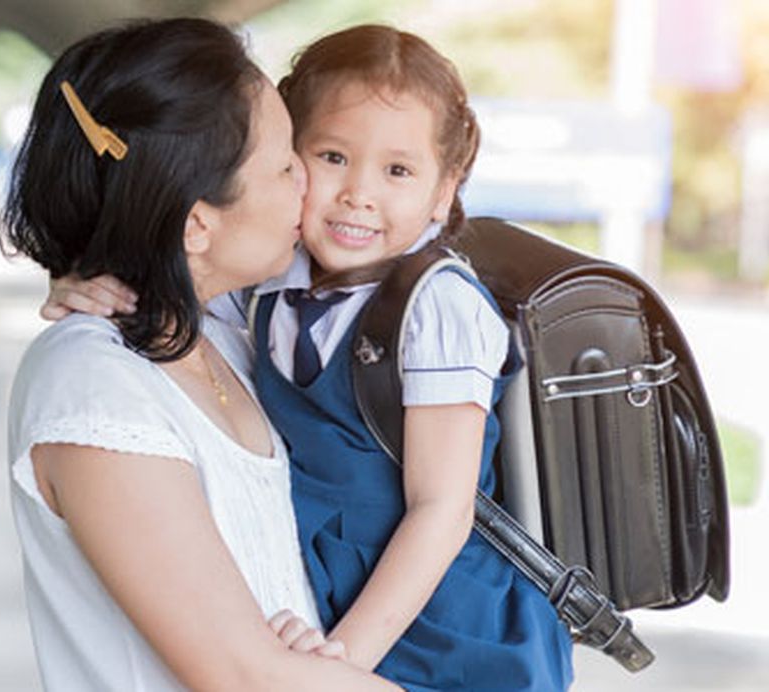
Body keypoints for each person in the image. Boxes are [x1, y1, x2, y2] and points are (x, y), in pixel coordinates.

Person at [45, 24, 575, 690]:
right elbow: (179, 278)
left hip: (442, 624)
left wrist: (345, 654)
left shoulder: (438, 308)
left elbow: (442, 507)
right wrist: (79, 282)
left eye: (398, 171)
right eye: (330, 157)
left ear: (445, 191)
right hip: (333, 609)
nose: (359, 192)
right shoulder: (271, 283)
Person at [1, 17, 394, 692]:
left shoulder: (223, 335)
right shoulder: (95, 386)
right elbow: (244, 676)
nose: (308, 178)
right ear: (196, 224)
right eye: (283, 165)